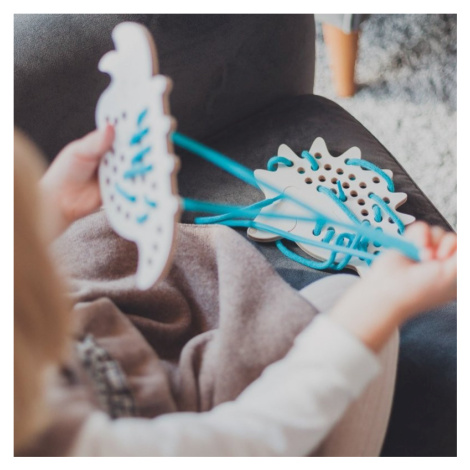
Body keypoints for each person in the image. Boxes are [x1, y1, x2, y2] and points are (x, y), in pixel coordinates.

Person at [14, 126, 457, 457]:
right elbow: (252, 441)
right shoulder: (61, 445)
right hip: (200, 426)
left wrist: (49, 208)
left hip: (101, 362)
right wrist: (378, 305)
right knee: (346, 299)